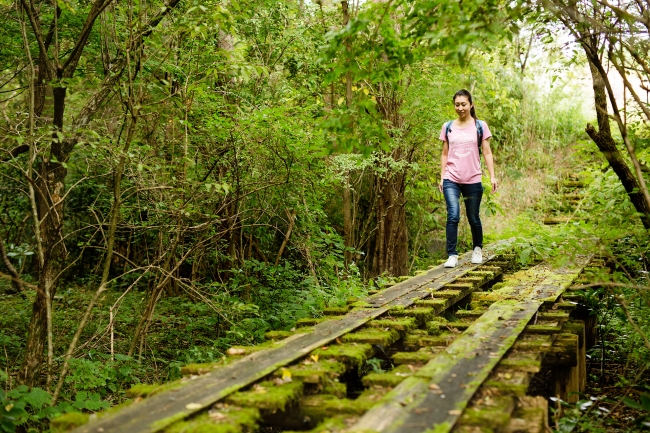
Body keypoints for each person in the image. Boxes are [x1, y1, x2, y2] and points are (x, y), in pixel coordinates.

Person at [438, 89, 498, 268]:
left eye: (463, 104)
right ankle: (452, 255)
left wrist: (492, 176)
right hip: (451, 178)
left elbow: (487, 152)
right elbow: (444, 154)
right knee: (453, 216)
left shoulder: (480, 126)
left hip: (473, 178)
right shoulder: (448, 126)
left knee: (473, 217)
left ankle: (477, 249)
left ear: (471, 104)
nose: (460, 108)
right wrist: (442, 177)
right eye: (457, 104)